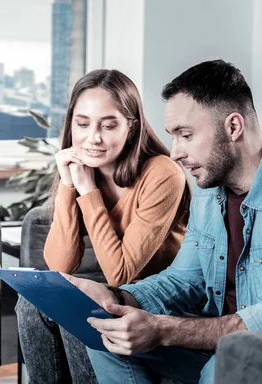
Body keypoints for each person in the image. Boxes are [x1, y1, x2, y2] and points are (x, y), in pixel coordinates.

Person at [64, 60, 262, 383]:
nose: (175, 153)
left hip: (247, 352)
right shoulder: (209, 193)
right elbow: (182, 281)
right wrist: (114, 297)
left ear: (234, 127)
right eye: (173, 136)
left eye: (185, 135)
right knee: (108, 337)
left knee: (223, 365)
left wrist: (162, 329)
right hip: (218, 347)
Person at [16, 69, 191, 383]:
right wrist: (69, 188)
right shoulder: (82, 169)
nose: (92, 138)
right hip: (122, 294)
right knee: (32, 302)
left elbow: (121, 273)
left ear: (131, 126)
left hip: (161, 301)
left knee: (84, 312)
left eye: (108, 125)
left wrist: (87, 192)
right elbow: (60, 264)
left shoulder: (163, 174)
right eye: (82, 124)